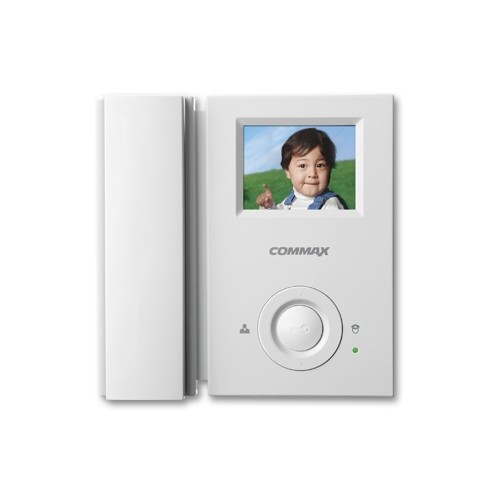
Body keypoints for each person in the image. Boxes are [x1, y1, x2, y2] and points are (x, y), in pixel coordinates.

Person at [256, 128, 348, 210]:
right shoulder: (290, 202)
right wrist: (268, 207)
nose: (312, 174)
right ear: (287, 171)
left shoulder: (330, 205)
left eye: (320, 165)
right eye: (303, 166)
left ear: (329, 169)